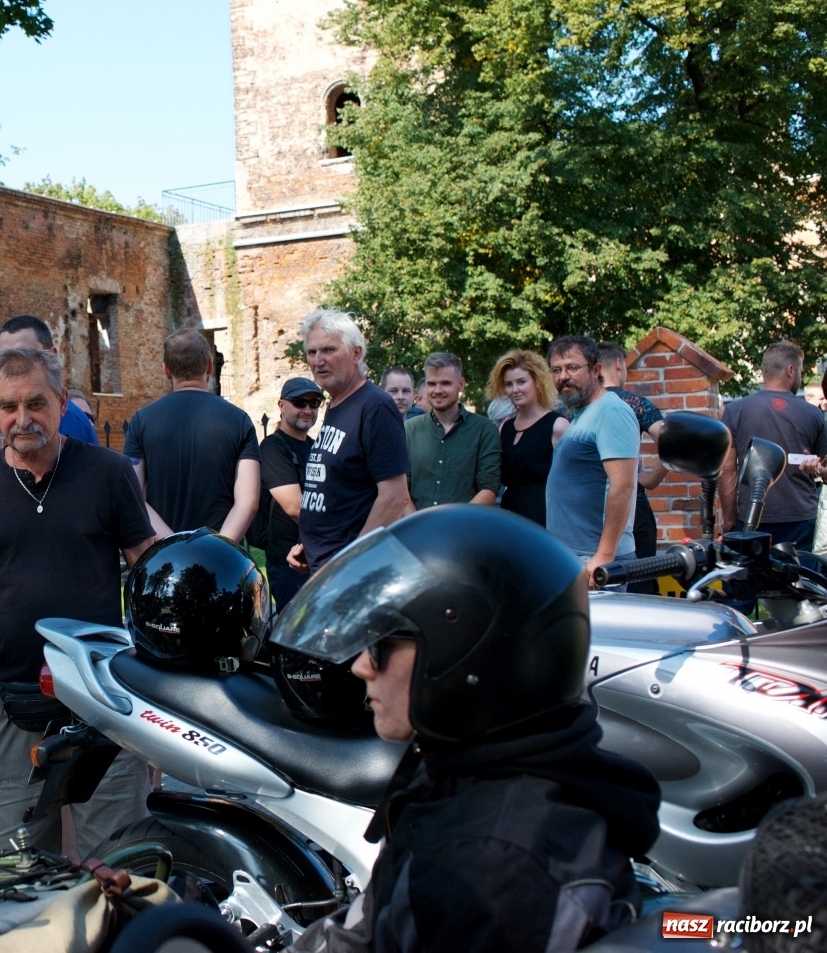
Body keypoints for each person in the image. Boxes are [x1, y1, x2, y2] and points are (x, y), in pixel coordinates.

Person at [274, 506, 662, 952]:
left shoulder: (492, 868)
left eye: (383, 643)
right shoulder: (463, 772)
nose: (361, 665)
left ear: (465, 654)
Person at [0, 348, 157, 857]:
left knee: (120, 865)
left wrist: (160, 687)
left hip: (104, 701)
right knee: (15, 869)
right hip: (9, 703)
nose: (22, 419)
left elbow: (149, 573)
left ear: (61, 402)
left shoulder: (108, 472)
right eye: (8, 406)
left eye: (36, 403)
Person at [291, 310, 412, 572]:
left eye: (328, 350)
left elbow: (395, 496)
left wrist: (351, 562)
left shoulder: (375, 406)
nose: (318, 360)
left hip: (352, 572)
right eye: (312, 352)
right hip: (322, 561)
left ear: (356, 354)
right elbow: (338, 489)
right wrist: (310, 545)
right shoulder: (336, 404)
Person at [123, 329, 261, 540]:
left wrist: (174, 544)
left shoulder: (142, 420)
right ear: (210, 366)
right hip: (222, 553)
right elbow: (247, 502)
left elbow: (133, 495)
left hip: (166, 554)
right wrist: (218, 548)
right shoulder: (239, 420)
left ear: (166, 370)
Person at [547, 335, 641, 582]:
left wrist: (604, 555)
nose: (563, 376)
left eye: (572, 367)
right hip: (573, 558)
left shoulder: (612, 411)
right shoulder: (583, 414)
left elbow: (623, 485)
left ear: (596, 370)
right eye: (556, 370)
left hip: (596, 561)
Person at [720, 341, 827, 552]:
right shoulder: (813, 413)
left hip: (751, 517)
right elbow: (823, 468)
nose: (800, 377)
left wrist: (729, 518)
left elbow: (727, 469)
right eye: (800, 371)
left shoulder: (735, 410)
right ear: (790, 370)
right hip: (800, 519)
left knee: (752, 573)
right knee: (799, 573)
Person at [598, 341, 668, 593]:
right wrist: (651, 479)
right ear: (619, 364)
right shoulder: (635, 403)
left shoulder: (573, 408)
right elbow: (674, 442)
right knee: (640, 582)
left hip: (587, 508)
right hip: (631, 504)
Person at [405, 351, 501, 508]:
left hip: (465, 523)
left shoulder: (485, 430)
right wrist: (419, 523)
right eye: (432, 384)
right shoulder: (409, 430)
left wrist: (454, 521)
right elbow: (400, 489)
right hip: (418, 523)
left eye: (446, 383)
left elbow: (489, 490)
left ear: (461, 384)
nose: (437, 390)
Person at [487, 349, 569, 527]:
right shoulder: (505, 427)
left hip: (546, 519)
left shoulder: (558, 426)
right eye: (509, 384)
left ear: (537, 382)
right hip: (510, 517)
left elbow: (573, 482)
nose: (514, 390)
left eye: (521, 382)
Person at [260, 377, 321, 608]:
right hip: (289, 562)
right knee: (296, 626)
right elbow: (296, 507)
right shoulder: (273, 449)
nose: (307, 410)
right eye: (299, 402)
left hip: (315, 554)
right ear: (282, 406)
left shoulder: (315, 446)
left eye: (314, 403)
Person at [0, 314, 99, 443]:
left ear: (52, 356)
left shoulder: (70, 420)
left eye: (25, 355)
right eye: (4, 358)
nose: (14, 366)